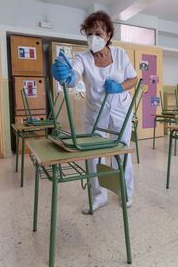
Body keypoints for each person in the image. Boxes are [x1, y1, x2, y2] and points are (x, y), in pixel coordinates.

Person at [51, 11, 138, 214]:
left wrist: (119, 87)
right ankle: (99, 197)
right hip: (94, 112)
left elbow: (133, 79)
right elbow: (74, 77)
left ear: (108, 34)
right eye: (89, 34)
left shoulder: (120, 54)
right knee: (94, 157)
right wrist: (65, 76)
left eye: (98, 33)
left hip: (120, 111)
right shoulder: (82, 57)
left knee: (121, 152)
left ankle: (125, 192)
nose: (93, 38)